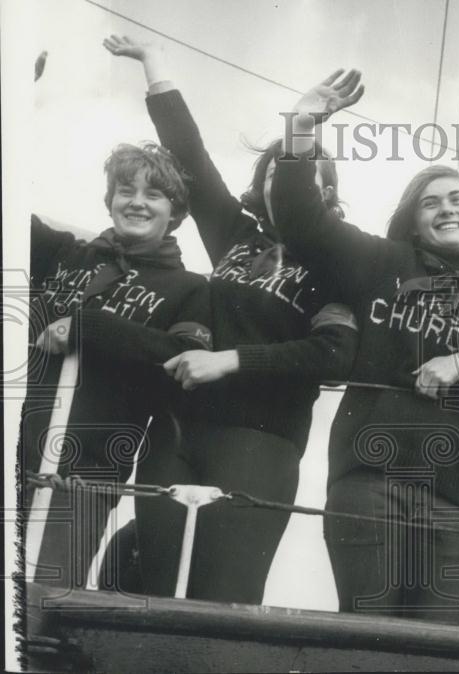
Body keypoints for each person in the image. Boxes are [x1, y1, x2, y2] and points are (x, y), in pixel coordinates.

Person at [268, 74, 459, 624]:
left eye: (458, 199)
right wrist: (301, 127)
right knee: (370, 643)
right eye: (431, 203)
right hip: (370, 488)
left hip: (457, 504)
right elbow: (303, 223)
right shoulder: (382, 263)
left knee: (438, 651)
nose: (447, 209)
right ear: (414, 220)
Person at [105, 36, 359, 604]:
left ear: (325, 194)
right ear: (261, 184)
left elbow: (333, 354)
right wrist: (154, 64)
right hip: (176, 433)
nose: (284, 186)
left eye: (303, 179)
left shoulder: (338, 267)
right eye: (273, 174)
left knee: (222, 604)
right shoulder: (235, 238)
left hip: (260, 444)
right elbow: (189, 156)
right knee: (156, 600)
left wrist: (231, 360)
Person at [22, 142, 212, 592]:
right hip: (16, 448)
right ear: (109, 200)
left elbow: (181, 354)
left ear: (176, 213)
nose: (137, 203)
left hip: (85, 473)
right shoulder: (66, 254)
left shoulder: (188, 288)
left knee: (45, 599)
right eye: (126, 190)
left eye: (154, 195)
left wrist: (90, 327)